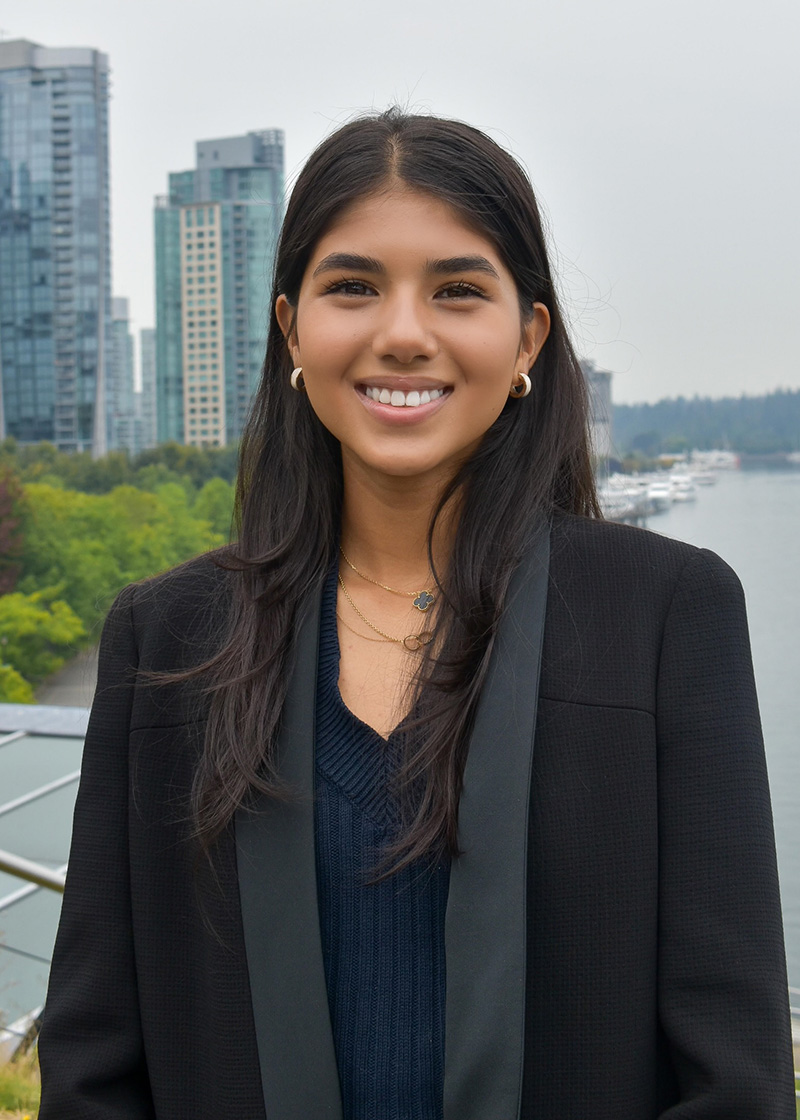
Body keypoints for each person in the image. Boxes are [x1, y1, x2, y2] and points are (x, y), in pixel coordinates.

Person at [38, 110, 794, 1119]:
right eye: (352, 287)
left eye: (457, 290)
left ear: (527, 337)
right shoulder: (170, 637)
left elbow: (733, 1077)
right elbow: (93, 1066)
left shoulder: (661, 616)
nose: (401, 334)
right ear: (291, 329)